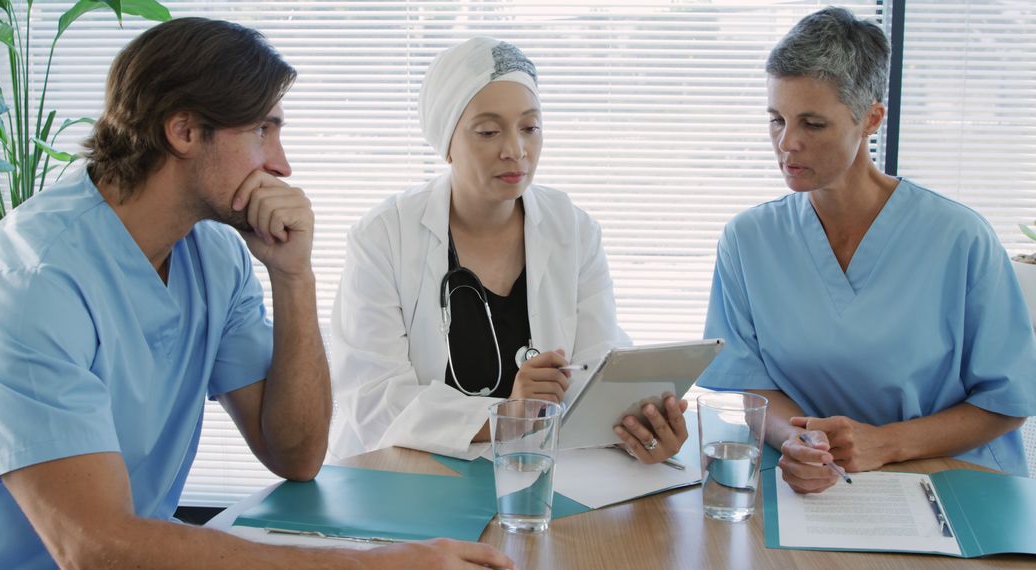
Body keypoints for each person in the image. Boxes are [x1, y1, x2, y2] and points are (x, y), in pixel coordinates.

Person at [0, 18, 512, 569]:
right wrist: (373, 567)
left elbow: (295, 455)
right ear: (185, 131)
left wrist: (294, 277)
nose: (282, 164)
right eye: (262, 130)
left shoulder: (215, 255)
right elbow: (95, 546)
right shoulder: (31, 282)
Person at [697, 7, 1036, 494]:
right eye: (776, 119)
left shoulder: (960, 238)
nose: (786, 143)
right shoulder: (748, 240)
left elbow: (1008, 400)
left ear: (871, 119)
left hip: (947, 482)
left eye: (812, 124)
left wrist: (887, 443)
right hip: (808, 487)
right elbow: (746, 379)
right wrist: (797, 441)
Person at [330, 37, 689, 464]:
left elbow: (598, 362)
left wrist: (641, 425)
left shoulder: (573, 229)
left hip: (535, 470)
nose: (515, 150)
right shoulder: (383, 236)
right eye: (488, 131)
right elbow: (373, 398)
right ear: (446, 141)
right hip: (405, 472)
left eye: (530, 127)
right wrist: (506, 413)